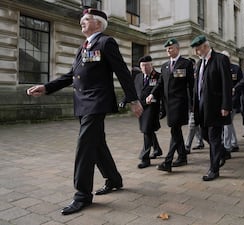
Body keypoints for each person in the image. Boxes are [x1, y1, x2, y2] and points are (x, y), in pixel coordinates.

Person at [26, 8, 143, 215]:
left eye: (86, 20)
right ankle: (114, 179)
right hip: (82, 103)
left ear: (98, 24)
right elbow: (71, 75)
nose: (81, 22)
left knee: (85, 146)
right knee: (96, 144)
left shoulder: (107, 42)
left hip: (97, 103)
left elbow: (122, 72)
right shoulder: (83, 47)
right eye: (82, 20)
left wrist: (133, 99)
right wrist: (46, 87)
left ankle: (82, 195)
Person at [146, 38, 194, 172]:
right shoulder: (165, 66)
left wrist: (193, 104)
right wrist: (152, 94)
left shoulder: (186, 64)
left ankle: (168, 162)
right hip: (168, 105)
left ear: (177, 49)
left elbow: (192, 85)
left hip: (180, 104)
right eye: (167, 48)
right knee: (176, 131)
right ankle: (182, 157)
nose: (168, 50)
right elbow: (159, 84)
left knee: (174, 130)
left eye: (171, 48)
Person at [191, 35, 232, 181]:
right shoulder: (199, 63)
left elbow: (226, 84)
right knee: (204, 135)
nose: (196, 52)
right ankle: (223, 152)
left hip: (216, 107)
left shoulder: (221, 59)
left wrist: (226, 105)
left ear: (205, 46)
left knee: (214, 137)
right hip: (201, 107)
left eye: (197, 49)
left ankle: (214, 170)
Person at [134, 55, 163, 168]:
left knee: (146, 130)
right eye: (142, 66)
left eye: (147, 65)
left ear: (151, 65)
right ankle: (157, 149)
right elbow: (133, 90)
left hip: (152, 107)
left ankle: (145, 158)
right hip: (141, 107)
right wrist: (125, 100)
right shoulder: (138, 77)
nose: (145, 68)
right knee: (148, 130)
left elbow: (159, 89)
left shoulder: (158, 76)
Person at [221, 50, 243, 159]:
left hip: (233, 101)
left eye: (226, 58)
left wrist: (235, 91)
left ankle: (227, 147)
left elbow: (241, 83)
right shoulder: (219, 68)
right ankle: (234, 143)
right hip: (222, 101)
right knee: (228, 123)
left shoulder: (236, 68)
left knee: (226, 124)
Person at [185, 57, 205, 154]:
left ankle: (187, 146)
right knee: (195, 125)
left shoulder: (198, 74)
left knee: (192, 124)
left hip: (197, 104)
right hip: (189, 104)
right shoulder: (187, 75)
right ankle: (200, 141)